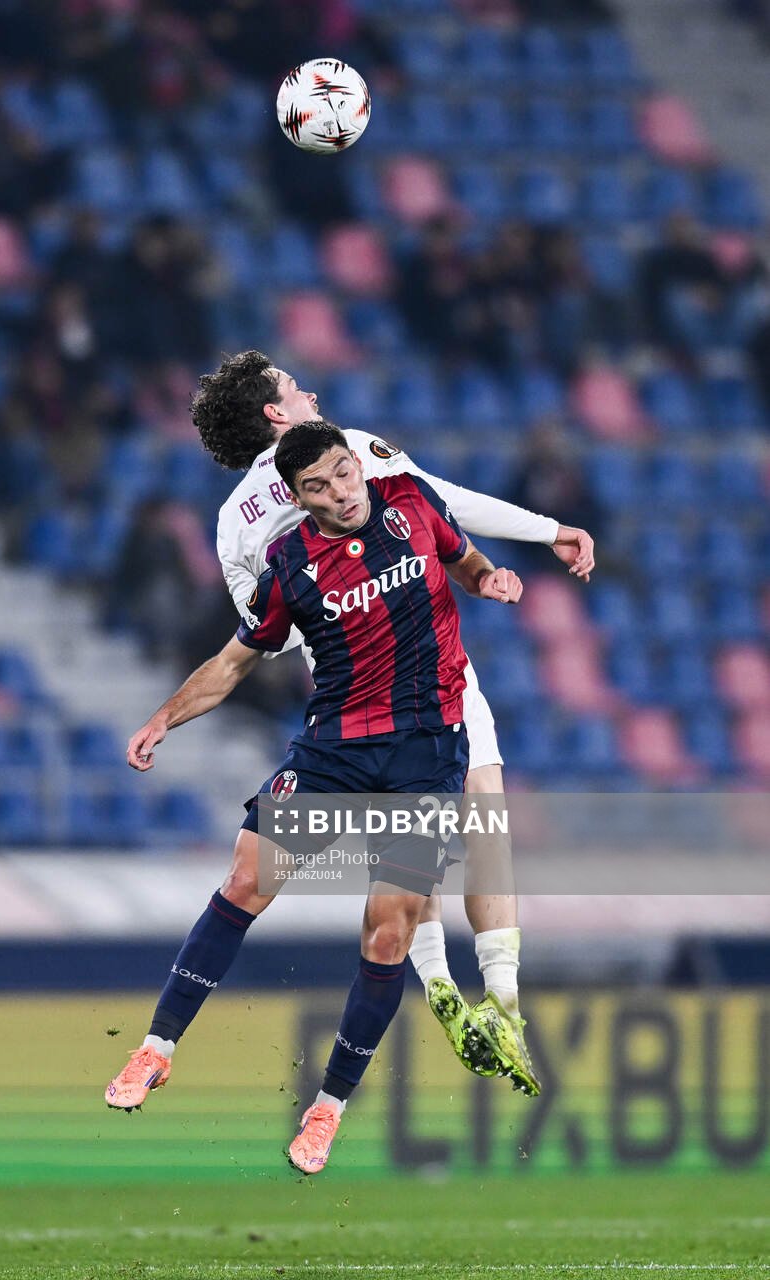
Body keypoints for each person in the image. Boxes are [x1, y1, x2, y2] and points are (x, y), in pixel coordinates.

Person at [106, 421, 524, 1174]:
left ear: (356, 464)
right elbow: (234, 663)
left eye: (342, 474)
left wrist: (489, 578)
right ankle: (155, 1049)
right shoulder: (291, 564)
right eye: (318, 488)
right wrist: (163, 717)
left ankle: (327, 1108)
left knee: (388, 934)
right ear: (299, 500)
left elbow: (463, 561)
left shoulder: (411, 502)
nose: (340, 494)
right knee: (245, 878)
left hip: (425, 757)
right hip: (335, 752)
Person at [192, 349, 595, 1093]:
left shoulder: (229, 521)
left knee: (406, 848)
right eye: (293, 387)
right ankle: (503, 1001)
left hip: (344, 694)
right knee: (482, 820)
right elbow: (444, 502)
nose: (310, 391)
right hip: (428, 668)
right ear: (277, 413)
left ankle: (434, 975)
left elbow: (262, 630)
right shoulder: (346, 453)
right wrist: (548, 531)